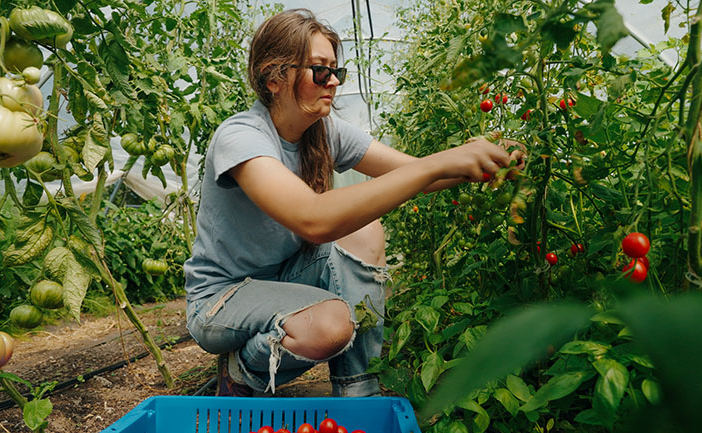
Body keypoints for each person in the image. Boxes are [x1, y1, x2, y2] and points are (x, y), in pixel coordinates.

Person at [183, 8, 526, 398]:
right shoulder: (241, 137)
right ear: (273, 77)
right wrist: (439, 162)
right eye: (320, 70)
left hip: (286, 278)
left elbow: (417, 175)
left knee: (364, 230)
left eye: (336, 71)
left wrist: (481, 162)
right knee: (330, 325)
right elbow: (313, 220)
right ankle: (242, 372)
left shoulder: (323, 131)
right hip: (222, 299)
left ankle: (357, 388)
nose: (332, 81)